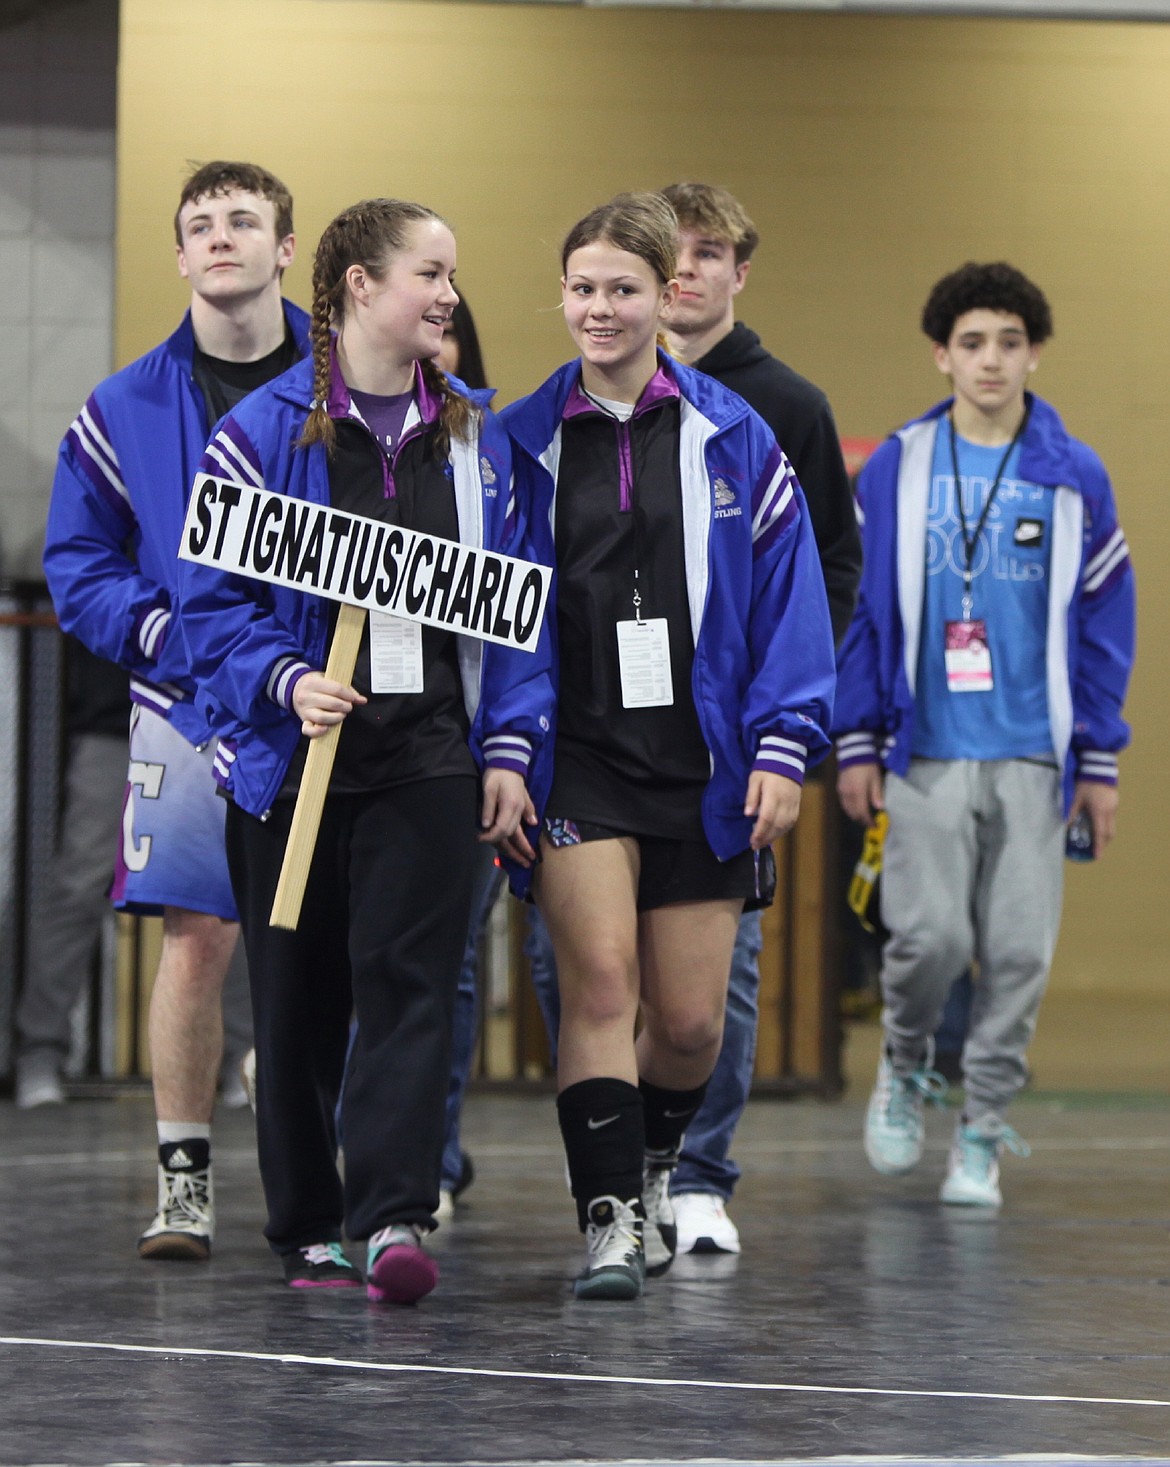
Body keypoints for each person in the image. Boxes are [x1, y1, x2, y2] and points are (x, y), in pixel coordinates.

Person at [177, 198, 549, 1301]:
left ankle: (394, 1215)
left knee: (412, 986)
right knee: (295, 999)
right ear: (357, 286)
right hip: (291, 760)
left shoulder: (480, 441)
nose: (448, 296)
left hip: (429, 754)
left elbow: (516, 618)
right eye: (430, 273)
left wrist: (511, 750)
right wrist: (283, 680)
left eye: (450, 274)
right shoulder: (258, 433)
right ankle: (307, 1228)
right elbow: (210, 607)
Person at [502, 192, 835, 1299]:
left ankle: (651, 1170)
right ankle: (605, 1220)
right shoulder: (516, 438)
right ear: (563, 297)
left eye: (624, 289)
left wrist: (786, 747)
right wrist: (508, 744)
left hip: (703, 765)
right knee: (599, 986)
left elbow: (794, 599)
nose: (601, 310)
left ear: (668, 295)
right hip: (577, 757)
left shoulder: (735, 434)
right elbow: (492, 611)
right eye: (583, 289)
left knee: (690, 1026)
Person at [42, 161, 307, 1258]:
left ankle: (341, 1184)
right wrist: (157, 632)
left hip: (328, 705)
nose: (221, 238)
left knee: (330, 943)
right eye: (200, 224)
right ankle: (184, 1180)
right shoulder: (124, 405)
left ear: (287, 247)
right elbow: (77, 561)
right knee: (196, 944)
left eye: (244, 221)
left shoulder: (361, 384)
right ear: (182, 252)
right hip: (190, 705)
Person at [834, 262, 1135, 1208]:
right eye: (972, 343)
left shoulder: (1072, 470)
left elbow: (1104, 623)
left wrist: (1098, 757)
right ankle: (906, 1060)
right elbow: (861, 612)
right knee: (925, 937)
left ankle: (981, 1127)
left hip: (1035, 756)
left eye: (1009, 341)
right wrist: (855, 738)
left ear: (1033, 351)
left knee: (1017, 953)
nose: (991, 359)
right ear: (942, 353)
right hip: (925, 746)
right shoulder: (899, 464)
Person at [647, 181, 862, 1255]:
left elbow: (830, 572)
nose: (684, 270)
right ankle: (618, 1174)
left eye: (707, 252)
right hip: (604, 734)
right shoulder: (588, 395)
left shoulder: (791, 405)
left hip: (730, 742)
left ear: (741, 271)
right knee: (582, 968)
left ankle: (699, 1174)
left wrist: (788, 720)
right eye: (666, 251)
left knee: (718, 971)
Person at [13, 639, 129, 1108]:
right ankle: (39, 1052)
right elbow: (85, 584)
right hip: (117, 712)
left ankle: (245, 1056)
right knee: (80, 886)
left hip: (212, 714)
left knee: (228, 893)